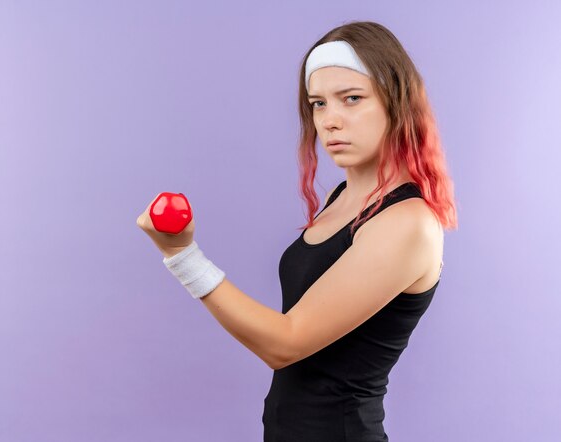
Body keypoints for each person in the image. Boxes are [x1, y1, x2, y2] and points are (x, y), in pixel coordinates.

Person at [138, 20, 457, 442]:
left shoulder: (407, 222)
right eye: (318, 103)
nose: (330, 120)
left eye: (352, 99)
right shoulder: (343, 198)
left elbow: (286, 343)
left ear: (397, 103)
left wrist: (183, 256)